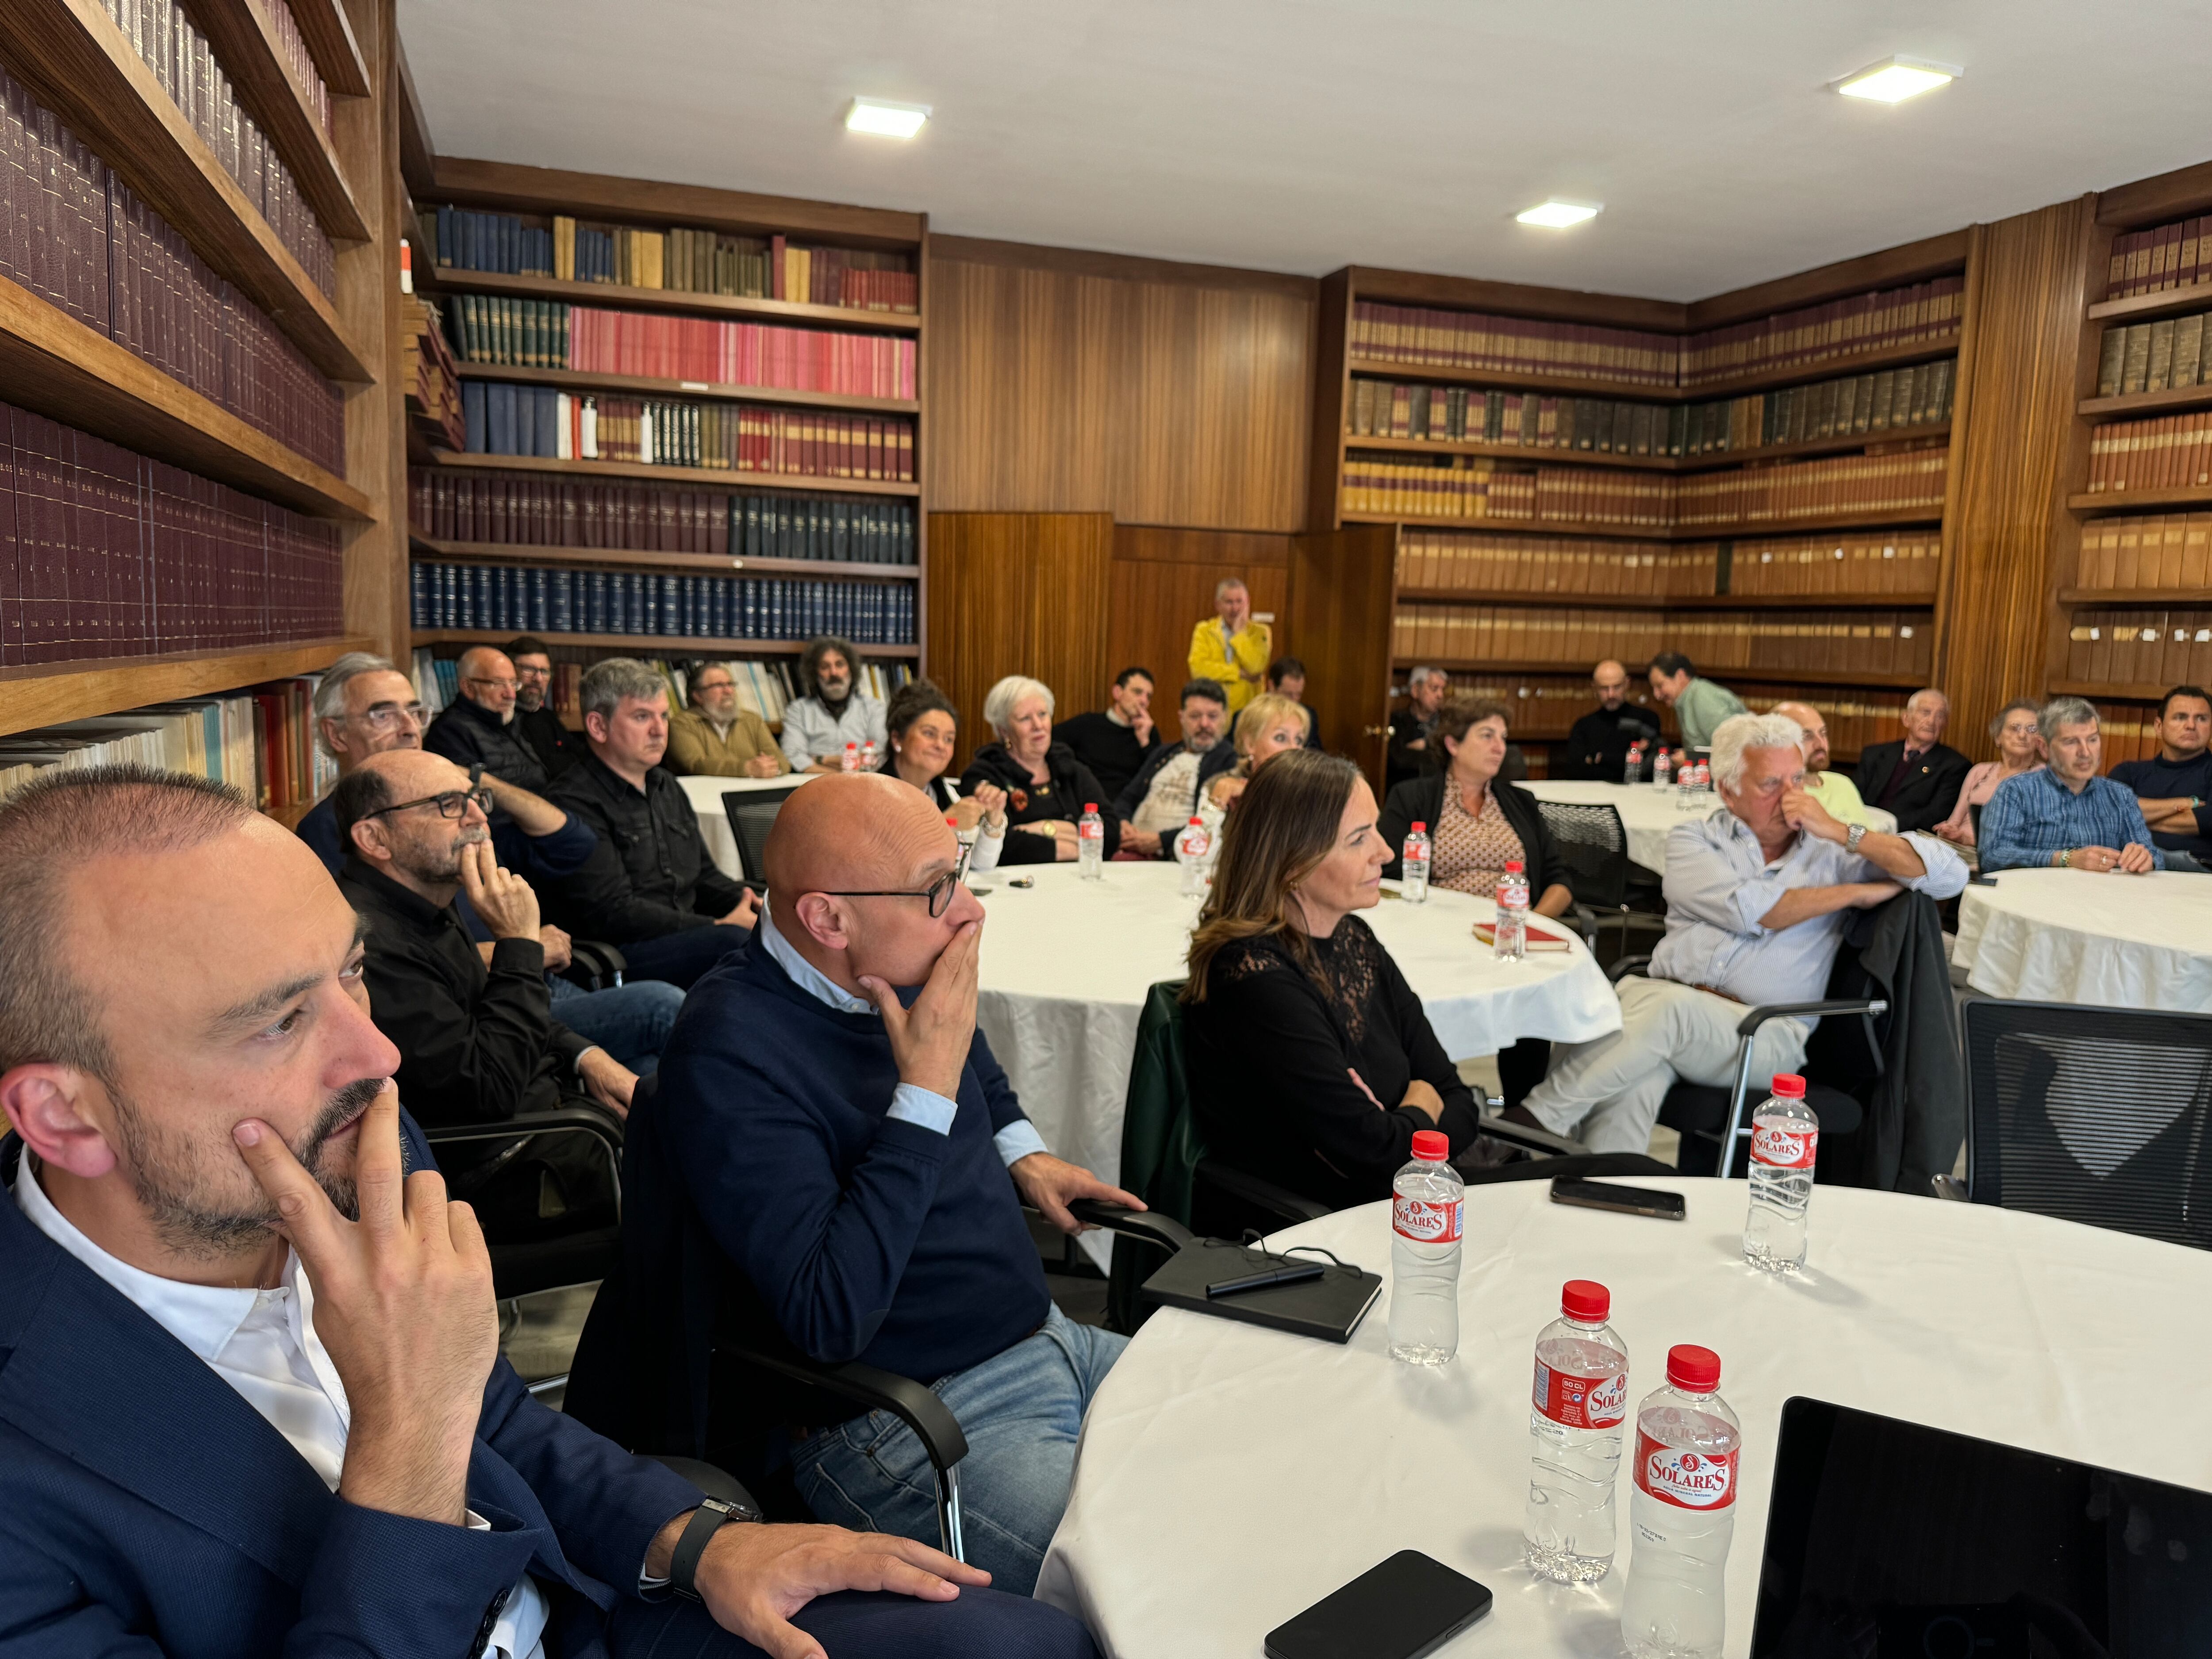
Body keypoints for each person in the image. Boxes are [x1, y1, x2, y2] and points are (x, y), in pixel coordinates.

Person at [0, 765, 1099, 1659]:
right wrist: (408, 1430)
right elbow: (451, 1429)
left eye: (354, 974)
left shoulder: (350, 1147)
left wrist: (696, 1544)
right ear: (64, 1112)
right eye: (282, 1020)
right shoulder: (31, 1455)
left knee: (1028, 1641)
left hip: (589, 1605)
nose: (377, 1056)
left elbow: (511, 1427)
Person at [652, 773, 1144, 1595]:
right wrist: (921, 1096)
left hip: (1053, 1337)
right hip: (913, 1421)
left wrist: (1022, 1149)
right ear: (827, 917)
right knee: (1149, 1568)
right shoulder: (727, 1051)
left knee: (1255, 1455)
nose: (970, 910)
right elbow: (828, 1314)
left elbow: (967, 1052)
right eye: (936, 890)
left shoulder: (897, 959)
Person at [1508, 712, 1967, 1155]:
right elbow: (1753, 910)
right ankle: (1596, 1197)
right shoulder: (1695, 840)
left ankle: (1526, 1127)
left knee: (1661, 1014)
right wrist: (1849, 894)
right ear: (1728, 792)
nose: (1790, 798)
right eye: (1771, 784)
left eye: (1797, 781)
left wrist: (1839, 830)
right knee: (1631, 1080)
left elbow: (1948, 874)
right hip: (1665, 1005)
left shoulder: (1831, 853)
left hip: (1762, 1033)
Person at [333, 749, 650, 1239]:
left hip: (549, 1115)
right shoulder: (369, 940)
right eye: (447, 804)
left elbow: (491, 1010)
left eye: (474, 798)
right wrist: (518, 944)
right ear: (375, 837)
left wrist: (586, 1055)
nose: (479, 815)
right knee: (715, 1153)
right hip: (506, 1166)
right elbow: (486, 1092)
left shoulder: (427, 899)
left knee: (674, 1082)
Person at [1182, 749, 1483, 1210]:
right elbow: (1378, 1154)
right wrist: (1421, 1106)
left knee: (1624, 1174)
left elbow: (1457, 1096)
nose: (1384, 852)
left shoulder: (1354, 940)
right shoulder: (1253, 978)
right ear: (1293, 864)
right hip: (1326, 1231)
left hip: (1412, 1201)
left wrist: (1404, 1125)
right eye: (1359, 839)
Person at [1375, 697, 1574, 1108]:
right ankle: (1425, 1104)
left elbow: (1560, 881)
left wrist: (1523, 922)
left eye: (1503, 737)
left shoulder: (1520, 802)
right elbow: (1388, 874)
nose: (1500, 747)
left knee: (1529, 993)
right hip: (1436, 934)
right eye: (1487, 736)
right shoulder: (1412, 797)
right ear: (1452, 743)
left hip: (1508, 933)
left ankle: (1523, 1120)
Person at [548, 659, 760, 990]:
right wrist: (717, 923)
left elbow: (703, 876)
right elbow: (613, 913)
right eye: (642, 717)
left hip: (692, 932)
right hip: (624, 951)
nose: (660, 730)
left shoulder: (667, 786)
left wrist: (752, 903)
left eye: (663, 716)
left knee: (780, 928)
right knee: (734, 943)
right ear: (598, 726)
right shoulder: (573, 802)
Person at [1980, 697, 2166, 874]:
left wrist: (2145, 859)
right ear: (2044, 747)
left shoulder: (2120, 796)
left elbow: (2154, 854)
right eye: (2071, 742)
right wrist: (2065, 859)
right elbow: (1993, 855)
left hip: (2102, 899)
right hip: (2037, 899)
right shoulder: (2016, 791)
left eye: (2092, 740)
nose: (2085, 753)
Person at [959, 676, 1123, 865]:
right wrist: (1063, 839)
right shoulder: (985, 774)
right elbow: (997, 847)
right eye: (1025, 719)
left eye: (1043, 714)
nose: (1038, 726)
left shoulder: (1071, 769)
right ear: (1004, 731)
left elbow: (1110, 832)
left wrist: (1033, 830)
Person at [880, 680, 1007, 873]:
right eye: (930, 734)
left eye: (949, 739)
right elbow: (886, 865)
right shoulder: (873, 793)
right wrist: (945, 823)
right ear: (897, 738)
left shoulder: (943, 791)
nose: (941, 745)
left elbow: (980, 865)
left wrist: (993, 818)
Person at [1112, 678, 1236, 857]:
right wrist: (1123, 822)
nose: (1204, 724)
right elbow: (1127, 797)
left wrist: (1161, 840)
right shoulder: (1163, 753)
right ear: (1182, 718)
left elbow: (1214, 824)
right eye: (1195, 716)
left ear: (1225, 718)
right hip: (1132, 845)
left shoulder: (1229, 761)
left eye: (1213, 716)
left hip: (1180, 855)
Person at [424, 644, 556, 795]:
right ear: (468, 687)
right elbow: (475, 800)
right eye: (498, 684)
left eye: (513, 684)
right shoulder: (450, 733)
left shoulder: (505, 720)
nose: (511, 695)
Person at [2108, 684, 2212, 868]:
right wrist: (2185, 804)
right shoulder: (2129, 772)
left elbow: (2208, 821)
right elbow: (2107, 812)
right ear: (2159, 726)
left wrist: (2133, 819)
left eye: (2201, 719)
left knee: (2148, 857)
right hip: (2129, 866)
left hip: (2196, 868)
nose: (2191, 726)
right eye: (2181, 717)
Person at [1853, 688, 1971, 834]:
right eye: (1925, 712)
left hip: (1907, 838)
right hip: (1862, 830)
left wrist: (1885, 827)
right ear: (1907, 719)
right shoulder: (1874, 754)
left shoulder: (1955, 766)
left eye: (1940, 716)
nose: (1932, 721)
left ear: (1945, 724)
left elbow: (1935, 815)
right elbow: (1854, 798)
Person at [1934, 699, 2045, 845]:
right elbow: (1954, 821)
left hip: (1994, 858)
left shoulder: (2044, 777)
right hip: (1957, 848)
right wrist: (1947, 830)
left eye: (2032, 729)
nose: (2023, 735)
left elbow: (2028, 838)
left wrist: (1966, 839)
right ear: (1998, 737)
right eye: (2015, 728)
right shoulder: (1980, 771)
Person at [1051, 667, 1159, 802]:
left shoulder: (1149, 732)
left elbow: (1157, 778)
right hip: (1088, 803)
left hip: (1128, 807)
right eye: (1137, 692)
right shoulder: (1087, 724)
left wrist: (1145, 743)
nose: (1144, 701)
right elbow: (1049, 741)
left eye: (1148, 696)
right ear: (1118, 692)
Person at [780, 636, 887, 773]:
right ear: (815, 673)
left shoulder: (874, 709)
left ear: (851, 669)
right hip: (815, 785)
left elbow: (879, 754)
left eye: (840, 665)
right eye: (825, 667)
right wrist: (837, 776)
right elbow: (793, 756)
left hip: (863, 786)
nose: (834, 673)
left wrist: (822, 759)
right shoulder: (798, 711)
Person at [667, 661, 790, 779]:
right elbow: (695, 765)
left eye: (730, 684)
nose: (728, 691)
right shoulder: (681, 724)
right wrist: (746, 769)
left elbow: (783, 763)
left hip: (754, 794)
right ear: (698, 696)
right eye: (719, 686)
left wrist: (770, 768)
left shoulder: (752, 720)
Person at [1204, 691, 1312, 812]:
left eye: (1299, 740)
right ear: (1250, 743)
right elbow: (1199, 831)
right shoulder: (1218, 785)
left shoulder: (1310, 791)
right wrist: (1216, 807)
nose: (1294, 748)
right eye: (1281, 738)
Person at [1772, 701, 1873, 826]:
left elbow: (1869, 841)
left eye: (1823, 733)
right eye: (1807, 736)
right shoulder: (1782, 795)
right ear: (1778, 743)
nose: (1821, 744)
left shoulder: (1843, 784)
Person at [1560, 659, 1661, 781]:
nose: (1611, 695)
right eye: (1604, 688)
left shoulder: (1646, 720)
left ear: (1627, 684)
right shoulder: (1584, 726)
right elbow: (1575, 772)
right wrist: (1625, 759)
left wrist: (1600, 758)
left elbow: (1647, 767)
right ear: (1594, 688)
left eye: (1617, 687)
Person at [1186, 577, 1271, 718]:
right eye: (1229, 602)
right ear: (1218, 605)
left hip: (1247, 712)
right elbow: (1198, 669)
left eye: (1240, 602)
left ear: (1248, 602)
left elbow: (1256, 667)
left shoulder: (1261, 632)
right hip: (1212, 710)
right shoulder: (1204, 630)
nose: (1235, 608)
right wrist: (1238, 673)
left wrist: (1239, 634)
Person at [506, 635, 584, 781]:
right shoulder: (503, 720)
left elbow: (582, 757)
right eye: (529, 669)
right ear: (508, 670)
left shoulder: (547, 716)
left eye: (545, 671)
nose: (538, 679)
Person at [1646, 652, 1746, 766]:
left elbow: (1735, 748)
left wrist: (1691, 759)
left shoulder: (1704, 698)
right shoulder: (1688, 698)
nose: (1656, 695)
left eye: (1660, 686)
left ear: (1680, 676)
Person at [1387, 665, 1450, 790]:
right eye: (1434, 689)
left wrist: (1426, 744)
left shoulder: (1448, 722)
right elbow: (1398, 760)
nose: (1440, 695)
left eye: (1443, 689)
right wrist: (1434, 751)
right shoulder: (1398, 720)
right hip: (1405, 788)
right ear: (1416, 690)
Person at [1240, 657, 1322, 751]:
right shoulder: (1247, 717)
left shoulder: (1309, 716)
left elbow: (1316, 755)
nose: (1294, 701)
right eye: (1288, 694)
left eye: (1299, 695)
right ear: (1272, 686)